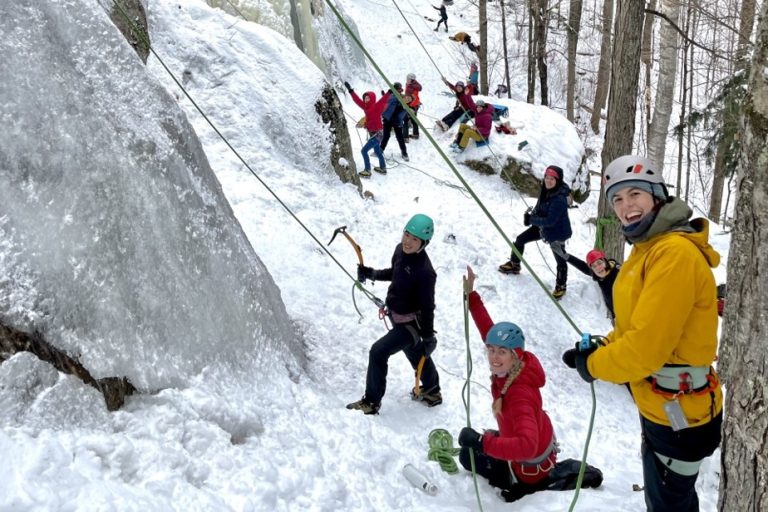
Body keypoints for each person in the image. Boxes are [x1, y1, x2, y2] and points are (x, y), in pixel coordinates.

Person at [562, 154, 723, 512]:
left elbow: (644, 351)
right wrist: (601, 347)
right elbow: (634, 328)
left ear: (657, 195)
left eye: (635, 194)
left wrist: (595, 365)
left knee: (668, 504)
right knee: (670, 498)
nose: (625, 206)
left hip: (680, 411)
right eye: (617, 199)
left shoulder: (673, 254)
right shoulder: (647, 249)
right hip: (663, 405)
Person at [458, 266, 602, 503]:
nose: (494, 357)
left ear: (514, 355)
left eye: (501, 352)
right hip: (538, 442)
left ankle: (529, 488)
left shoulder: (519, 394)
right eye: (491, 350)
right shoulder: (518, 366)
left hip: (529, 470)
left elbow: (525, 446)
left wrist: (483, 442)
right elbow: (489, 332)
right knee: (476, 449)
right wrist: (471, 296)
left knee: (467, 456)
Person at [346, 214, 441, 415]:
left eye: (414, 239)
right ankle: (432, 390)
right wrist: (372, 273)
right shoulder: (400, 251)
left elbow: (428, 306)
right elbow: (395, 273)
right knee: (415, 352)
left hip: (411, 324)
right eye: (406, 234)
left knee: (378, 351)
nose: (407, 241)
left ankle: (371, 402)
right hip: (397, 316)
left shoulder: (425, 272)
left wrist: (428, 336)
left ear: (424, 243)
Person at [498, 165, 573, 299]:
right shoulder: (546, 190)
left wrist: (532, 220)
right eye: (547, 177)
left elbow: (550, 221)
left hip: (557, 232)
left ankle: (561, 285)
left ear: (558, 180)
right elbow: (540, 207)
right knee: (520, 240)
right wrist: (531, 216)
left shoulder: (560, 199)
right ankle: (515, 265)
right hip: (542, 227)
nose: (548, 181)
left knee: (560, 259)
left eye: (552, 179)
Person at [345, 81, 391, 177]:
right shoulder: (365, 107)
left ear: (372, 98)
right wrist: (351, 91)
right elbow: (357, 100)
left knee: (364, 151)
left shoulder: (376, 106)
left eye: (368, 98)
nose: (366, 99)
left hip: (378, 134)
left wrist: (389, 92)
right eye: (365, 98)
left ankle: (367, 170)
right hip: (373, 133)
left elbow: (383, 100)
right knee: (377, 151)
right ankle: (383, 168)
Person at [567, 248, 620, 320]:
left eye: (599, 263)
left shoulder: (619, 273)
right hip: (617, 317)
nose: (598, 268)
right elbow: (583, 266)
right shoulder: (598, 274)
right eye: (594, 266)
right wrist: (567, 257)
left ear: (605, 261)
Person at [380, 82, 410, 163]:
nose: (399, 91)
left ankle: (404, 153)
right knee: (386, 136)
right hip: (388, 119)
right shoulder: (391, 97)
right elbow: (386, 105)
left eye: (399, 89)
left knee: (400, 137)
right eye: (397, 89)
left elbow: (405, 103)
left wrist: (405, 103)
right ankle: (380, 150)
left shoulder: (401, 98)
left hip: (396, 121)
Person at [403, 73, 422, 140]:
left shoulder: (412, 86)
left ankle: (405, 137)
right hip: (413, 105)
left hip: (412, 106)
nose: (407, 80)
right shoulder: (411, 85)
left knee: (405, 120)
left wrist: (410, 106)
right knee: (414, 120)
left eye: (408, 79)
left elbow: (414, 97)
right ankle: (416, 134)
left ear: (411, 79)